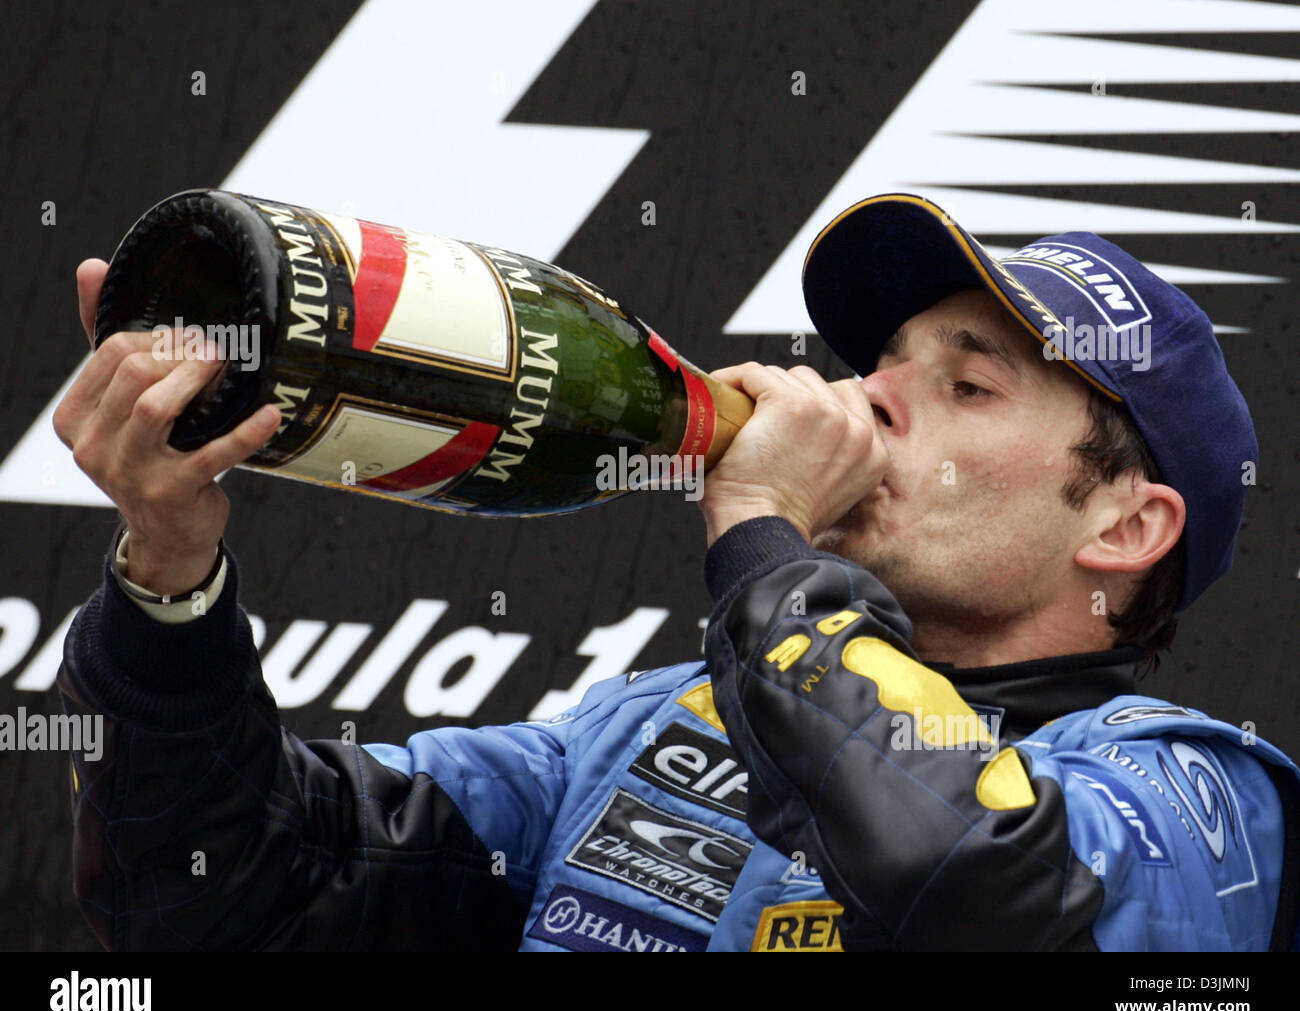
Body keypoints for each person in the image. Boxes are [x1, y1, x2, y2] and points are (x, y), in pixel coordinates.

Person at [54, 193, 1298, 952]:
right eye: (882, 361)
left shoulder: (1194, 799)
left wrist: (762, 527)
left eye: (965, 385)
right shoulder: (640, 732)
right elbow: (223, 897)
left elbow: (973, 891)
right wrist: (172, 575)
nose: (867, 394)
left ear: (1127, 530)